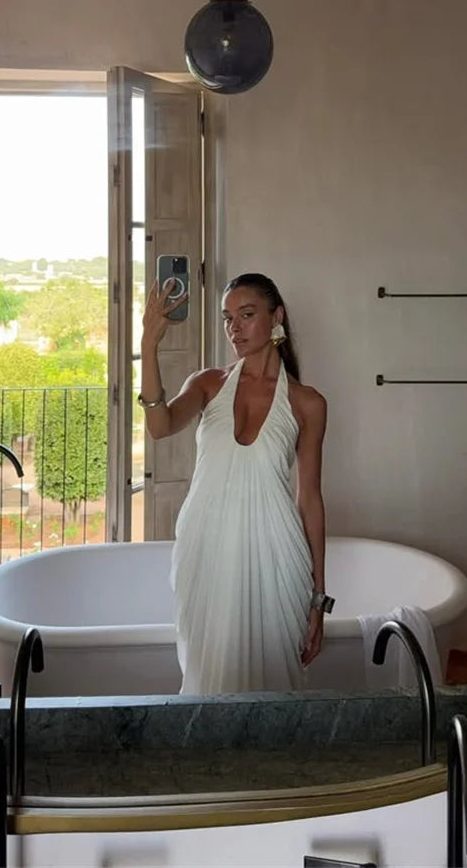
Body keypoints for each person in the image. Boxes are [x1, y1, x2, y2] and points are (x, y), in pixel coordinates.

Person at [139, 271, 330, 694]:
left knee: (274, 684)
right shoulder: (209, 384)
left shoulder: (307, 403)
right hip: (205, 547)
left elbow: (310, 501)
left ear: (276, 316)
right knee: (209, 679)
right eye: (228, 318)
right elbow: (159, 425)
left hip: (277, 555)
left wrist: (319, 598)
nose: (234, 328)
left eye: (246, 315)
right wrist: (149, 344)